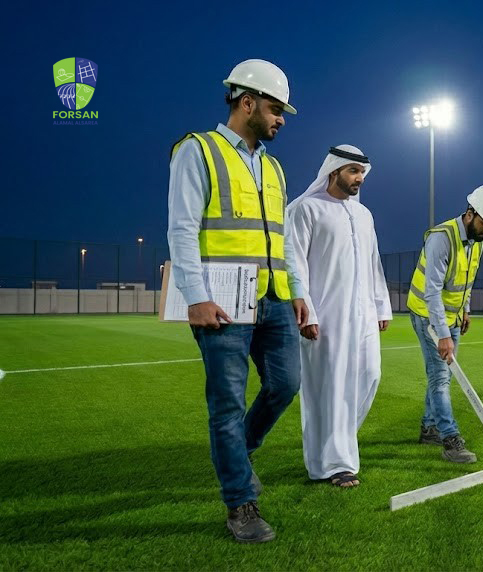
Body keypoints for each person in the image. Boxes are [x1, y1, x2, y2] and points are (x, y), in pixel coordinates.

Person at [167, 59, 306, 544]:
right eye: (275, 109)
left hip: (273, 298)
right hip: (222, 302)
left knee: (286, 385)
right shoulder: (198, 150)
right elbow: (182, 228)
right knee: (226, 404)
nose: (281, 119)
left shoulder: (273, 167)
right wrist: (196, 296)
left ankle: (238, 456)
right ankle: (240, 503)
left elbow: (282, 239)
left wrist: (297, 291)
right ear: (247, 102)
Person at [286, 145, 392, 489]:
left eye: (362, 172)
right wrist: (307, 310)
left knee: (370, 375)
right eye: (353, 171)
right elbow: (294, 262)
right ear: (334, 171)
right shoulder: (305, 209)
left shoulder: (363, 215)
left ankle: (335, 448)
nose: (359, 178)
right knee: (328, 389)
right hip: (325, 315)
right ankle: (336, 464)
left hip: (364, 314)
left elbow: (374, 263)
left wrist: (381, 306)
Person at [407, 185, 483, 463]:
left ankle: (429, 428)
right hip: (427, 315)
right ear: (470, 213)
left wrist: (466, 310)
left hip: (453, 316)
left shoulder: (478, 239)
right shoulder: (441, 239)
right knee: (441, 377)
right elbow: (432, 292)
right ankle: (450, 439)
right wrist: (442, 335)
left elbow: (467, 279)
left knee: (443, 376)